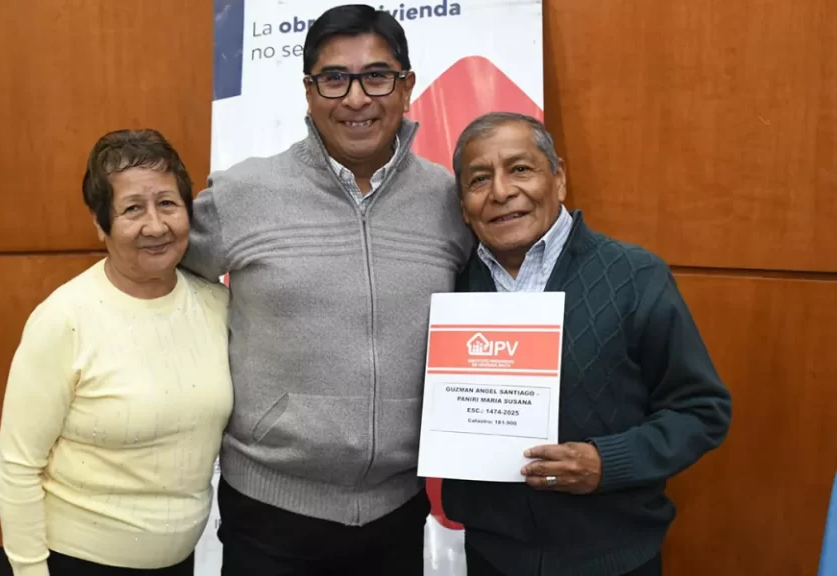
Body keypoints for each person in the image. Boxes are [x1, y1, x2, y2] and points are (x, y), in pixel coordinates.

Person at [181, 4, 473, 576]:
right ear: (309, 91)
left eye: (377, 76)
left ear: (407, 86)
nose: (357, 98)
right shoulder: (243, 193)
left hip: (397, 509)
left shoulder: (449, 200)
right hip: (269, 511)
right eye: (334, 78)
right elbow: (163, 276)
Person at [442, 111, 733, 576]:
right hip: (491, 557)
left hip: (613, 558)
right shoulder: (448, 288)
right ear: (463, 206)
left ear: (558, 178)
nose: (500, 191)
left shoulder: (635, 277)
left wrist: (606, 463)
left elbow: (701, 410)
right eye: (479, 179)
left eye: (520, 169)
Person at [0, 129, 232, 576]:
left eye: (167, 203)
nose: (155, 226)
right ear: (101, 224)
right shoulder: (64, 319)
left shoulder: (218, 306)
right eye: (132, 209)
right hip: (78, 561)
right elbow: (17, 465)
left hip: (180, 561)